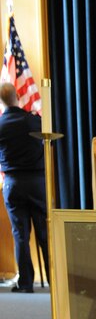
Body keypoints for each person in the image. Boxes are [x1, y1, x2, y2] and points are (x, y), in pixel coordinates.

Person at [0, 82, 49, 293]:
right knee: (44, 232)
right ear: (17, 96)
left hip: (13, 182)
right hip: (37, 182)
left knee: (20, 234)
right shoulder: (33, 121)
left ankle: (26, 283)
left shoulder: (1, 125)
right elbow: (48, 140)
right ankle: (54, 280)